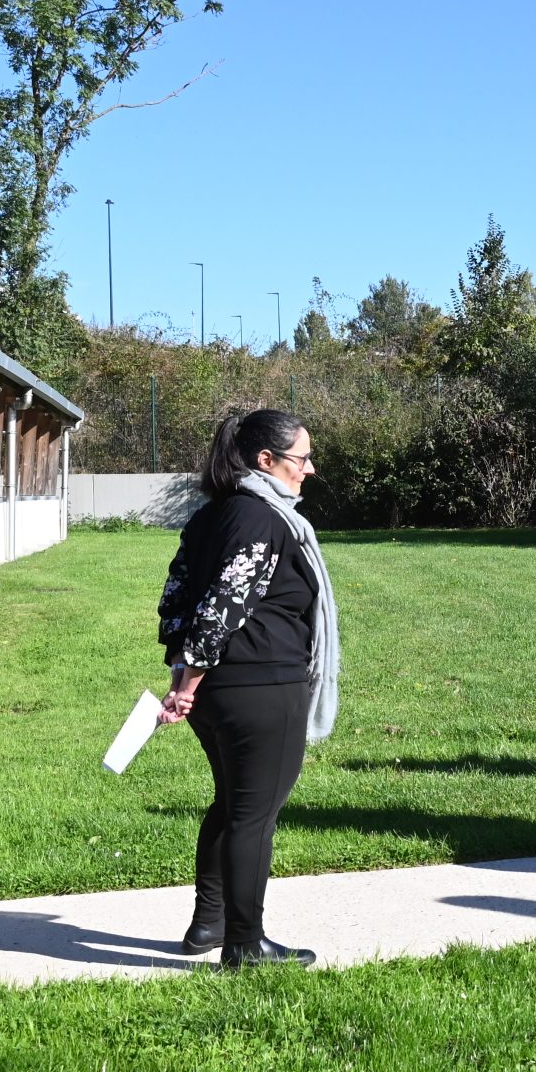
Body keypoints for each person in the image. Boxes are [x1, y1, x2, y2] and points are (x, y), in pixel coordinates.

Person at [154, 409, 340, 971]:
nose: (308, 469)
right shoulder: (263, 519)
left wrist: (184, 678)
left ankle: (208, 923)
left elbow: (175, 602)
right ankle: (244, 944)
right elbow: (220, 608)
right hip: (260, 687)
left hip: (221, 693)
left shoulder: (212, 515)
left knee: (233, 805)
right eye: (301, 458)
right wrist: (188, 682)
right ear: (267, 460)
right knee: (253, 816)